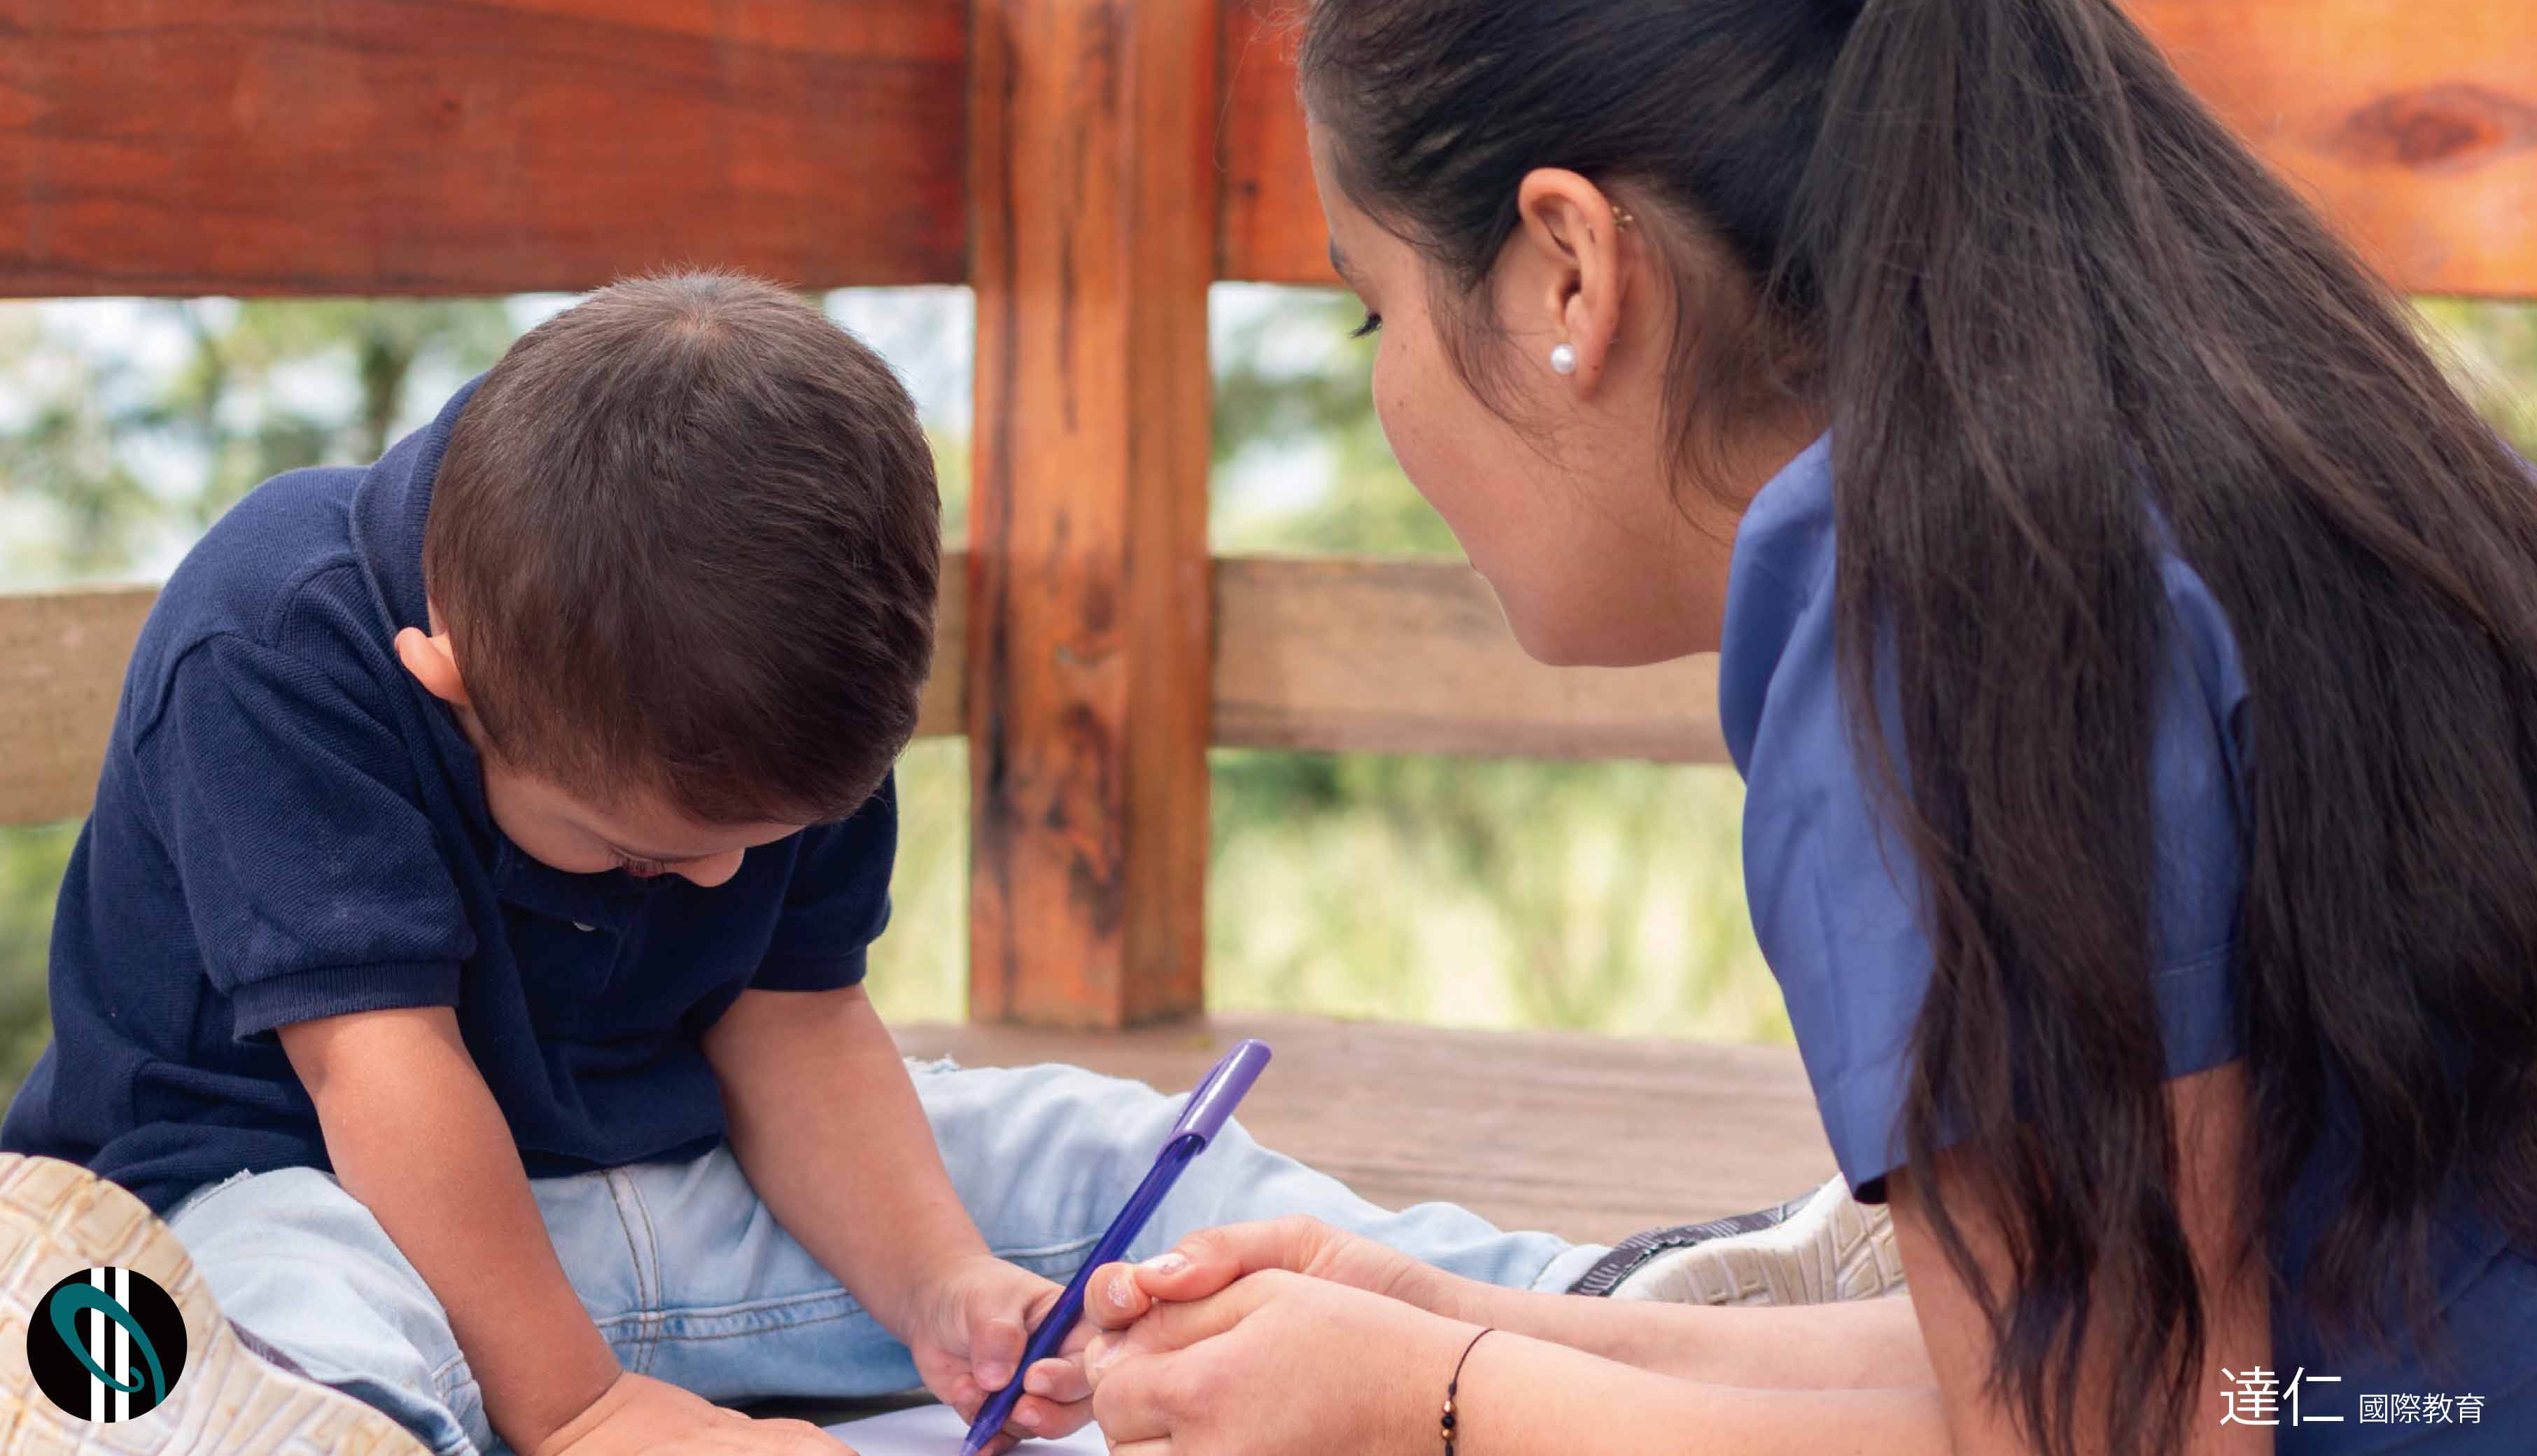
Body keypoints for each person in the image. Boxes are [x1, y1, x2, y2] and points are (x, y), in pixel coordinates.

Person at [1070, 0, 2537, 1455]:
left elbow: (2120, 1432)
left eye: (1370, 310)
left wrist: (1433, 1412)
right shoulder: (2230, 437)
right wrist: (1441, 1318)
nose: (1389, 392)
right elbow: (2142, 1363)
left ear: (1567, 267)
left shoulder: (1934, 591)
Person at [0, 271, 1895, 1456]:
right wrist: (580, 1410)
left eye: (758, 841)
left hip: (670, 1174)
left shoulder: (779, 640)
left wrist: (935, 1283)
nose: (707, 883)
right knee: (281, 1319)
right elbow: (378, 1077)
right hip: (305, 1179)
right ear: (450, 673)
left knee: (1079, 1157)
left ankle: (1625, 1299)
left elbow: (800, 1019)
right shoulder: (288, 636)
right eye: (655, 850)